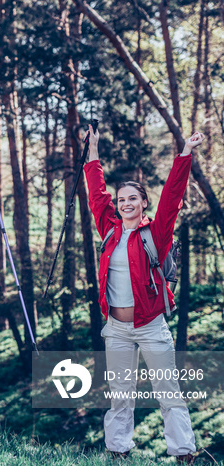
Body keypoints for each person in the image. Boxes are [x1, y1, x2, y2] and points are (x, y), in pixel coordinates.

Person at [84, 125, 202, 463]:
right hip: (117, 328)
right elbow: (96, 194)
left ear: (143, 203)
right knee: (121, 394)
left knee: (168, 391)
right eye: (121, 200)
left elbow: (173, 197)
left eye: (132, 199)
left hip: (150, 325)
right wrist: (92, 150)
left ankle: (183, 452)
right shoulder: (110, 229)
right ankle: (118, 450)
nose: (125, 204)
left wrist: (184, 153)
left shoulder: (157, 232)